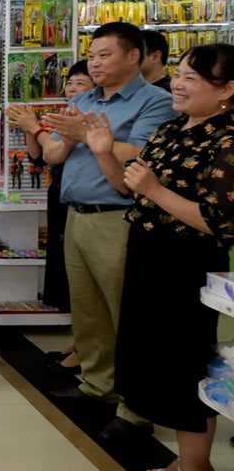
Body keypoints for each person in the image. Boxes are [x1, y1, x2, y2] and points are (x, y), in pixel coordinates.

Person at [81, 43, 234, 471]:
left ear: (227, 90)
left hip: (186, 265)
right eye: (181, 73)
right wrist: (105, 152)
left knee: (183, 365)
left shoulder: (226, 140)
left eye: (194, 78)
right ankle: (190, 462)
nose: (180, 83)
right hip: (148, 254)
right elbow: (130, 190)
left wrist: (155, 190)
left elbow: (219, 221)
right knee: (153, 361)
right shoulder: (174, 128)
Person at [41, 22, 174, 442]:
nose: (95, 63)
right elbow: (54, 151)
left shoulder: (156, 102)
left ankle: (136, 408)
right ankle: (98, 385)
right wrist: (64, 136)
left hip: (119, 218)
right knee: (89, 308)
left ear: (133, 56)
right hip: (76, 215)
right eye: (92, 55)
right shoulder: (83, 99)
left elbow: (140, 152)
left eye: (104, 55)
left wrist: (87, 135)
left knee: (128, 316)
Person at [5, 60, 94, 375]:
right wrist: (32, 130)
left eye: (80, 83)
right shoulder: (64, 116)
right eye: (70, 83)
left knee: (86, 284)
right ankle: (81, 343)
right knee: (67, 271)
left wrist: (36, 128)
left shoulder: (87, 121)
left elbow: (57, 152)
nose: (72, 89)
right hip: (61, 196)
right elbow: (39, 157)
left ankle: (88, 352)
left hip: (83, 202)